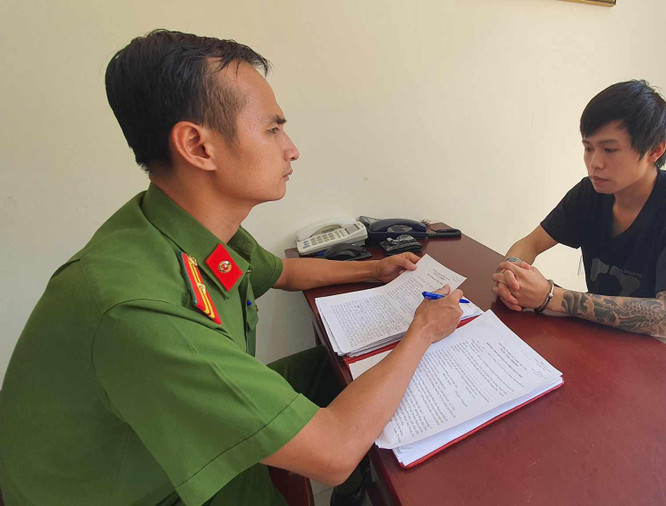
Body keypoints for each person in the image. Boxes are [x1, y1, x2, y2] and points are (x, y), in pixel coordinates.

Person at [0, 30, 465, 506]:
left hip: (161, 442)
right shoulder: (138, 309)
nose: (292, 149)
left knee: (331, 370)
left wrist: (373, 271)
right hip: (147, 490)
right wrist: (422, 332)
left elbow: (283, 273)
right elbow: (334, 452)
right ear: (198, 147)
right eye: (272, 129)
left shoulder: (178, 224)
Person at [491, 80, 666, 358]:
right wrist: (512, 275)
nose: (594, 163)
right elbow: (531, 243)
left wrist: (551, 296)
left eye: (609, 150)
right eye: (588, 148)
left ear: (654, 150)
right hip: (606, 326)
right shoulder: (590, 192)